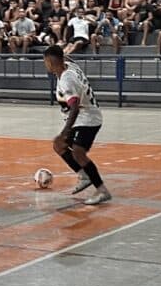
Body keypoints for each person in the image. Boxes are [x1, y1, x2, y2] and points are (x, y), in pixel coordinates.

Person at [44, 45, 111, 205]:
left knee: (78, 153)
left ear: (50, 62)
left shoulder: (67, 80)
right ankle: (84, 175)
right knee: (59, 146)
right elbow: (65, 57)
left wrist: (64, 132)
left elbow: (74, 107)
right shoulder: (69, 65)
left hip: (87, 118)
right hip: (83, 117)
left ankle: (102, 190)